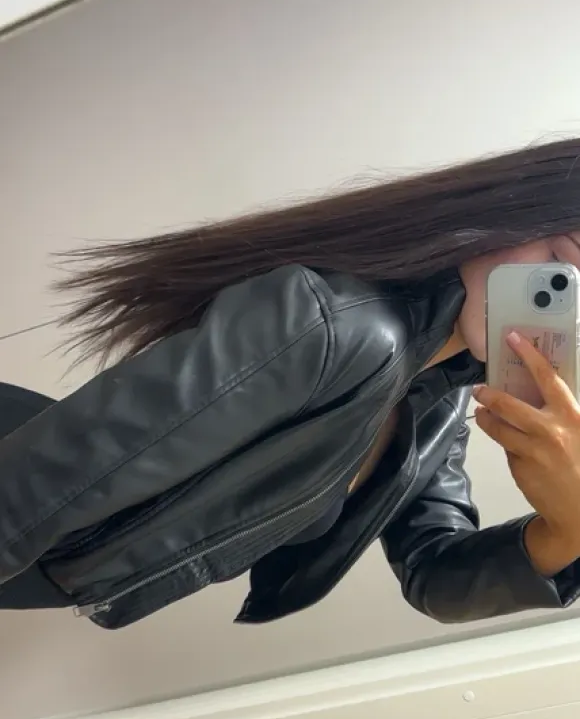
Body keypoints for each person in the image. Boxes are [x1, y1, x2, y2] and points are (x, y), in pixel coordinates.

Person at [2, 137, 580, 631]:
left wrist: (569, 530)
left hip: (43, 554)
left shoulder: (437, 400)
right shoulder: (334, 328)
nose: (555, 296)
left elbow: (434, 571)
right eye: (561, 260)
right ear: (515, 211)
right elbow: (23, 493)